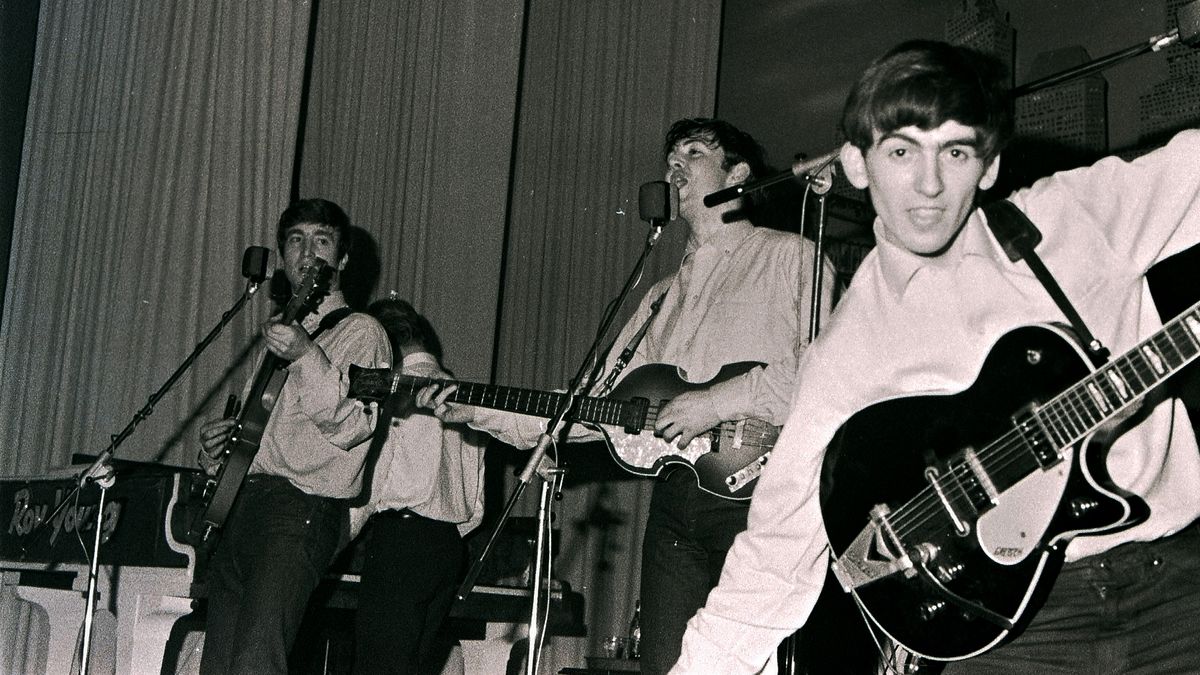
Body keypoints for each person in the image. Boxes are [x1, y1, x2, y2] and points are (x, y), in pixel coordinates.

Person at [670, 40, 1200, 674]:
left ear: (988, 166)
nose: (928, 184)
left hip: (1180, 588)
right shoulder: (850, 351)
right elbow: (775, 555)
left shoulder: (1070, 219)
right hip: (1022, 631)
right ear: (857, 164)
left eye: (954, 151)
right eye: (901, 151)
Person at [419, 117, 834, 674]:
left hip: (768, 497)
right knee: (666, 664)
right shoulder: (663, 296)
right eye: (670, 158)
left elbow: (823, 373)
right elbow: (593, 406)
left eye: (694, 152)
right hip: (675, 506)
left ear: (738, 174)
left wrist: (713, 404)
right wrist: (479, 410)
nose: (674, 166)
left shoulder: (791, 258)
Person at [196, 198, 392, 675]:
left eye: (321, 241)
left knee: (256, 663)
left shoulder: (364, 333)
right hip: (244, 507)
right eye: (295, 240)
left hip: (298, 512)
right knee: (218, 665)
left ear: (342, 260)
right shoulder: (285, 333)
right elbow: (262, 437)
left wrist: (307, 355)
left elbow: (353, 426)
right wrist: (219, 450)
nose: (307, 252)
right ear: (283, 255)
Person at [348, 297, 487, 674]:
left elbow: (372, 482)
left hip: (400, 542)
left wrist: (335, 540)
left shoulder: (397, 393)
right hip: (446, 549)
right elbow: (475, 506)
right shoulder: (469, 399)